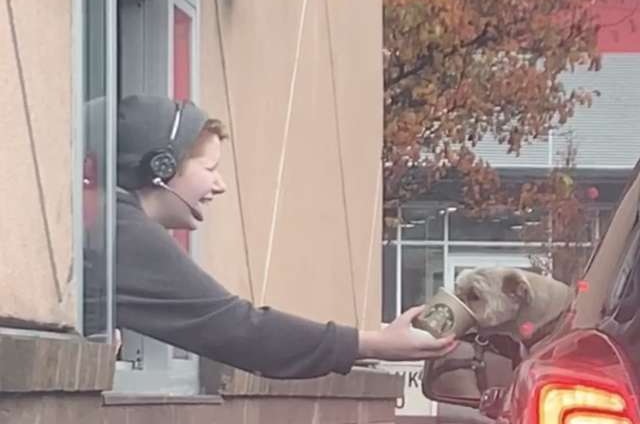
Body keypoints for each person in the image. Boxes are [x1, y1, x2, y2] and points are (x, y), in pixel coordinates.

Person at [84, 95, 455, 379]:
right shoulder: (117, 230)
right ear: (161, 168)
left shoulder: (103, 220)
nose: (220, 185)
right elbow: (236, 328)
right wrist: (376, 343)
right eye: (210, 169)